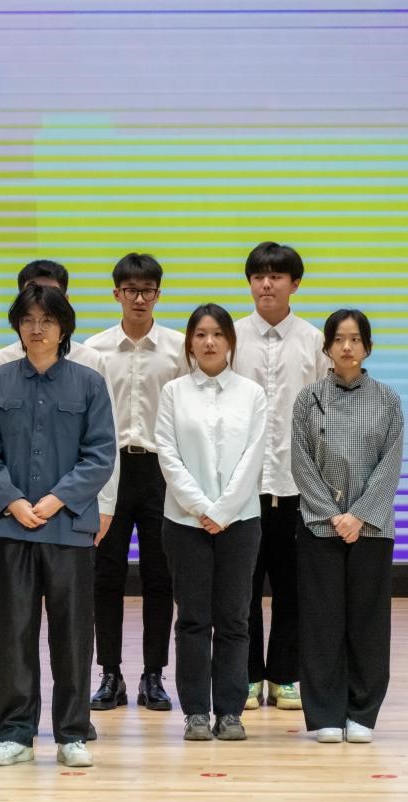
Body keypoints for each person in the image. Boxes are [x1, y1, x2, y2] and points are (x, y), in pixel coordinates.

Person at [0, 284, 115, 768]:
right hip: (13, 527)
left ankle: (71, 733)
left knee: (72, 635)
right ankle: (15, 734)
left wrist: (55, 500)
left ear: (63, 328)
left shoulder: (89, 383)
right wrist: (11, 501)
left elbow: (100, 454)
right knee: (14, 632)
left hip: (69, 527)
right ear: (18, 325)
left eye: (47, 320)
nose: (37, 329)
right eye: (28, 320)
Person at [292, 310, 404, 744]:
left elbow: (390, 464)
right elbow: (300, 462)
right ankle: (324, 712)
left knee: (368, 622)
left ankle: (362, 713)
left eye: (356, 339)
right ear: (326, 347)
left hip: (372, 528)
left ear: (368, 347)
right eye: (339, 339)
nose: (347, 346)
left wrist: (359, 515)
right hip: (321, 526)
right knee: (321, 622)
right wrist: (332, 514)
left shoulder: (388, 400)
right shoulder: (308, 399)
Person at [155, 304, 266, 741]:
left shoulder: (252, 393)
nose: (209, 342)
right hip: (185, 522)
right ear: (189, 343)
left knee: (235, 618)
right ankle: (196, 712)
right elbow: (168, 453)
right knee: (193, 619)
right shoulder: (173, 392)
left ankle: (231, 711)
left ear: (230, 342)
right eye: (200, 334)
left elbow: (254, 456)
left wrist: (222, 511)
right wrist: (201, 507)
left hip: (240, 521)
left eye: (218, 334)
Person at [84, 253, 187, 713]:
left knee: (160, 575)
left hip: (161, 471)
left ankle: (153, 674)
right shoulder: (95, 350)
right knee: (105, 574)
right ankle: (109, 673)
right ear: (116, 294)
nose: (140, 299)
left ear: (159, 294)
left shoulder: (178, 348)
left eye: (148, 290)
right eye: (131, 290)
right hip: (109, 470)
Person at [233, 242, 325, 711]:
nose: (266, 284)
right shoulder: (229, 336)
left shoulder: (314, 341)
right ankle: (249, 676)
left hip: (296, 486)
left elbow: (327, 414)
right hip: (242, 485)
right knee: (243, 586)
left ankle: (286, 675)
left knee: (292, 586)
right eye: (258, 276)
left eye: (276, 276)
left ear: (295, 284)